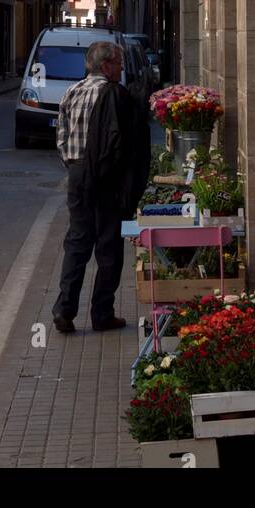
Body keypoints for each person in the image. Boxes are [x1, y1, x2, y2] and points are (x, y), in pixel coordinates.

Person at [52, 40, 151, 334]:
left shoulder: (72, 91)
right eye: (119, 64)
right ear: (106, 65)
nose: (121, 69)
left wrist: (73, 166)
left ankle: (64, 309)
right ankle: (102, 313)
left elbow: (60, 136)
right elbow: (121, 143)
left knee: (77, 242)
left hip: (78, 175)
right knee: (108, 246)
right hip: (105, 178)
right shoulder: (111, 94)